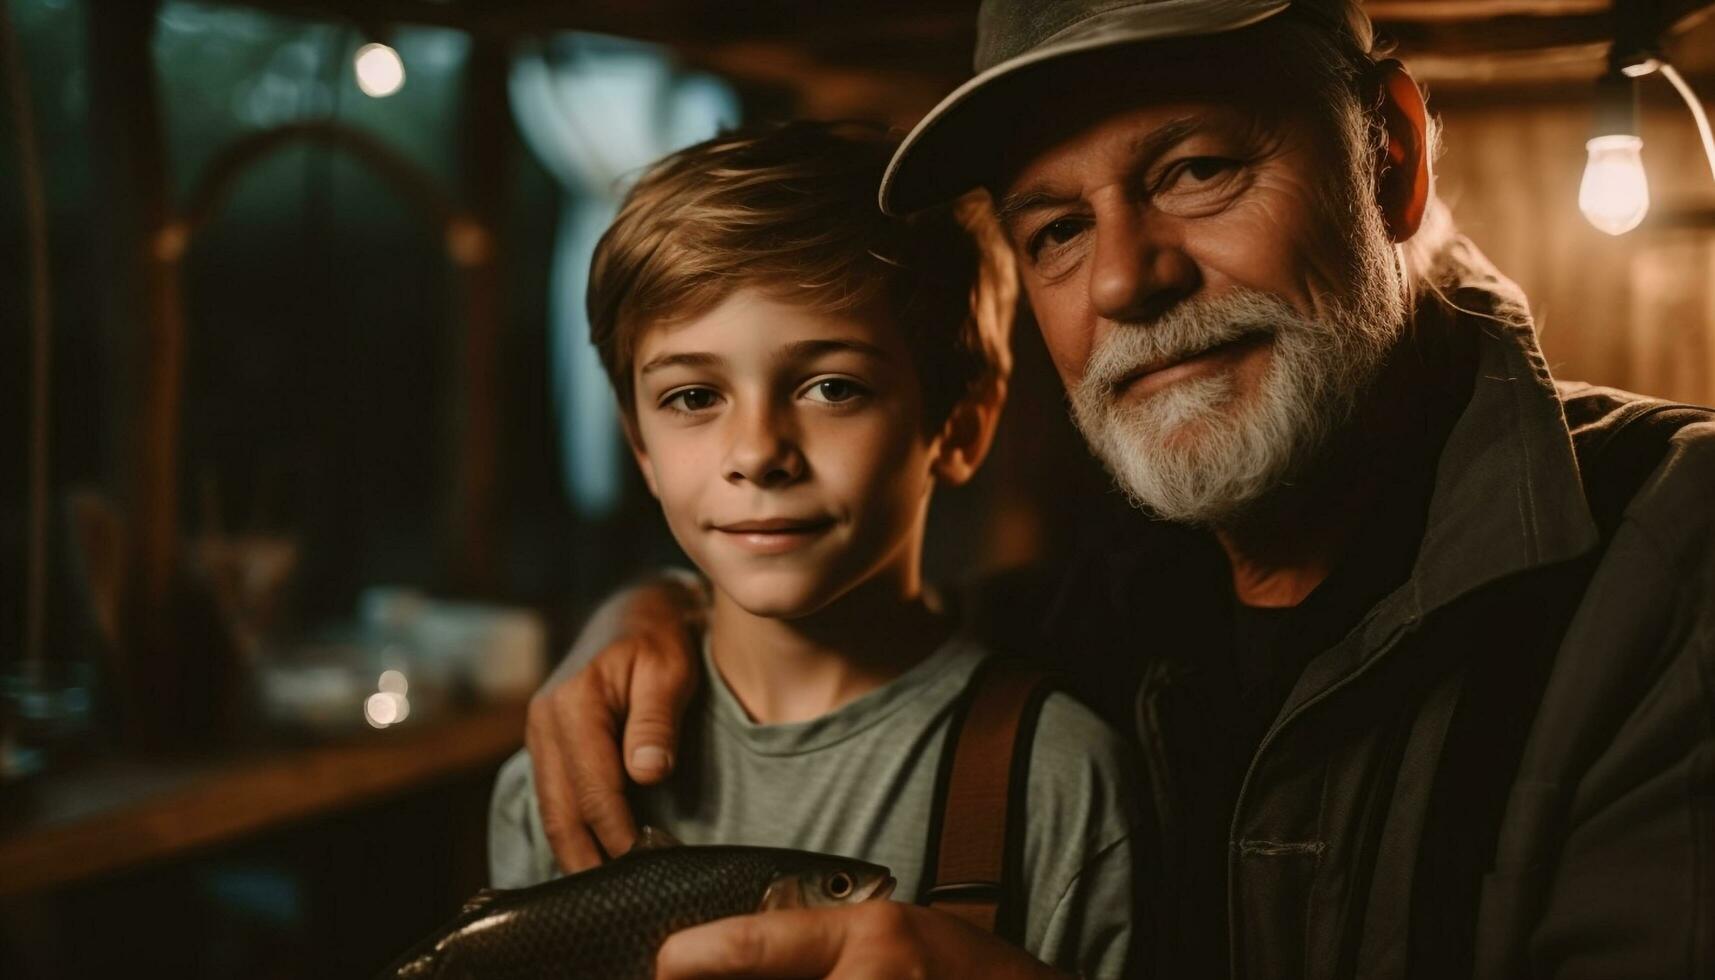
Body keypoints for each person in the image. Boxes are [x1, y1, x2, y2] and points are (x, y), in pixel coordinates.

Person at [525, 2, 1715, 978]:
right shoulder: (1095, 616)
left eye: (1194, 168)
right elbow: (865, 642)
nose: (1123, 279)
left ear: (1387, 157)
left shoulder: (1673, 557)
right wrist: (663, 615)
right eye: (1051, 230)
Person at [488, 121, 1145, 978]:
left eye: (832, 386)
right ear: (639, 447)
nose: (757, 451)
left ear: (959, 424)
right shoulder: (567, 779)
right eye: (691, 396)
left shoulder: (1057, 780)